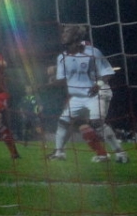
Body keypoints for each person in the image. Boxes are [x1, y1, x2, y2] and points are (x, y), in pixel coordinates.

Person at [46, 24, 124, 163]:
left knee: (92, 124)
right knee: (71, 123)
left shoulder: (89, 49)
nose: (63, 35)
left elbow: (103, 71)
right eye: (63, 32)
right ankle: (60, 152)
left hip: (97, 93)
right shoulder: (65, 55)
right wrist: (53, 79)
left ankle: (117, 153)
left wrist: (97, 85)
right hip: (79, 95)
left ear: (76, 36)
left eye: (67, 32)